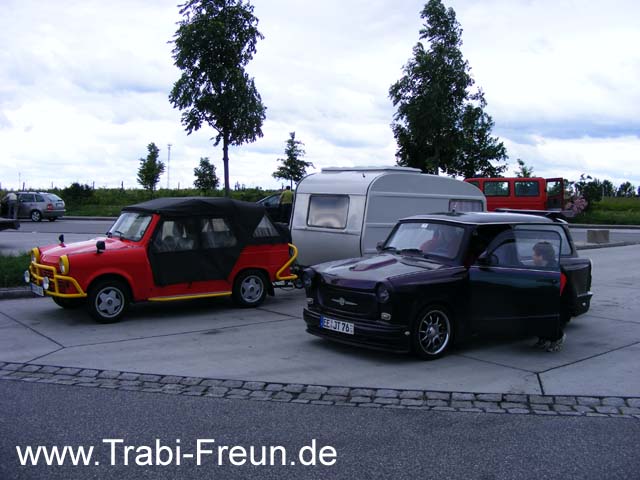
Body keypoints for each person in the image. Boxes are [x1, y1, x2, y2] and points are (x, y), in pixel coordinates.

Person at [531, 241, 566, 352]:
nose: (532, 257)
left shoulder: (556, 270)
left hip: (561, 304)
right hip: (548, 300)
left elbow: (560, 294)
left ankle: (557, 338)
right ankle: (543, 337)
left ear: (542, 257)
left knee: (546, 312)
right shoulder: (541, 267)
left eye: (535, 254)